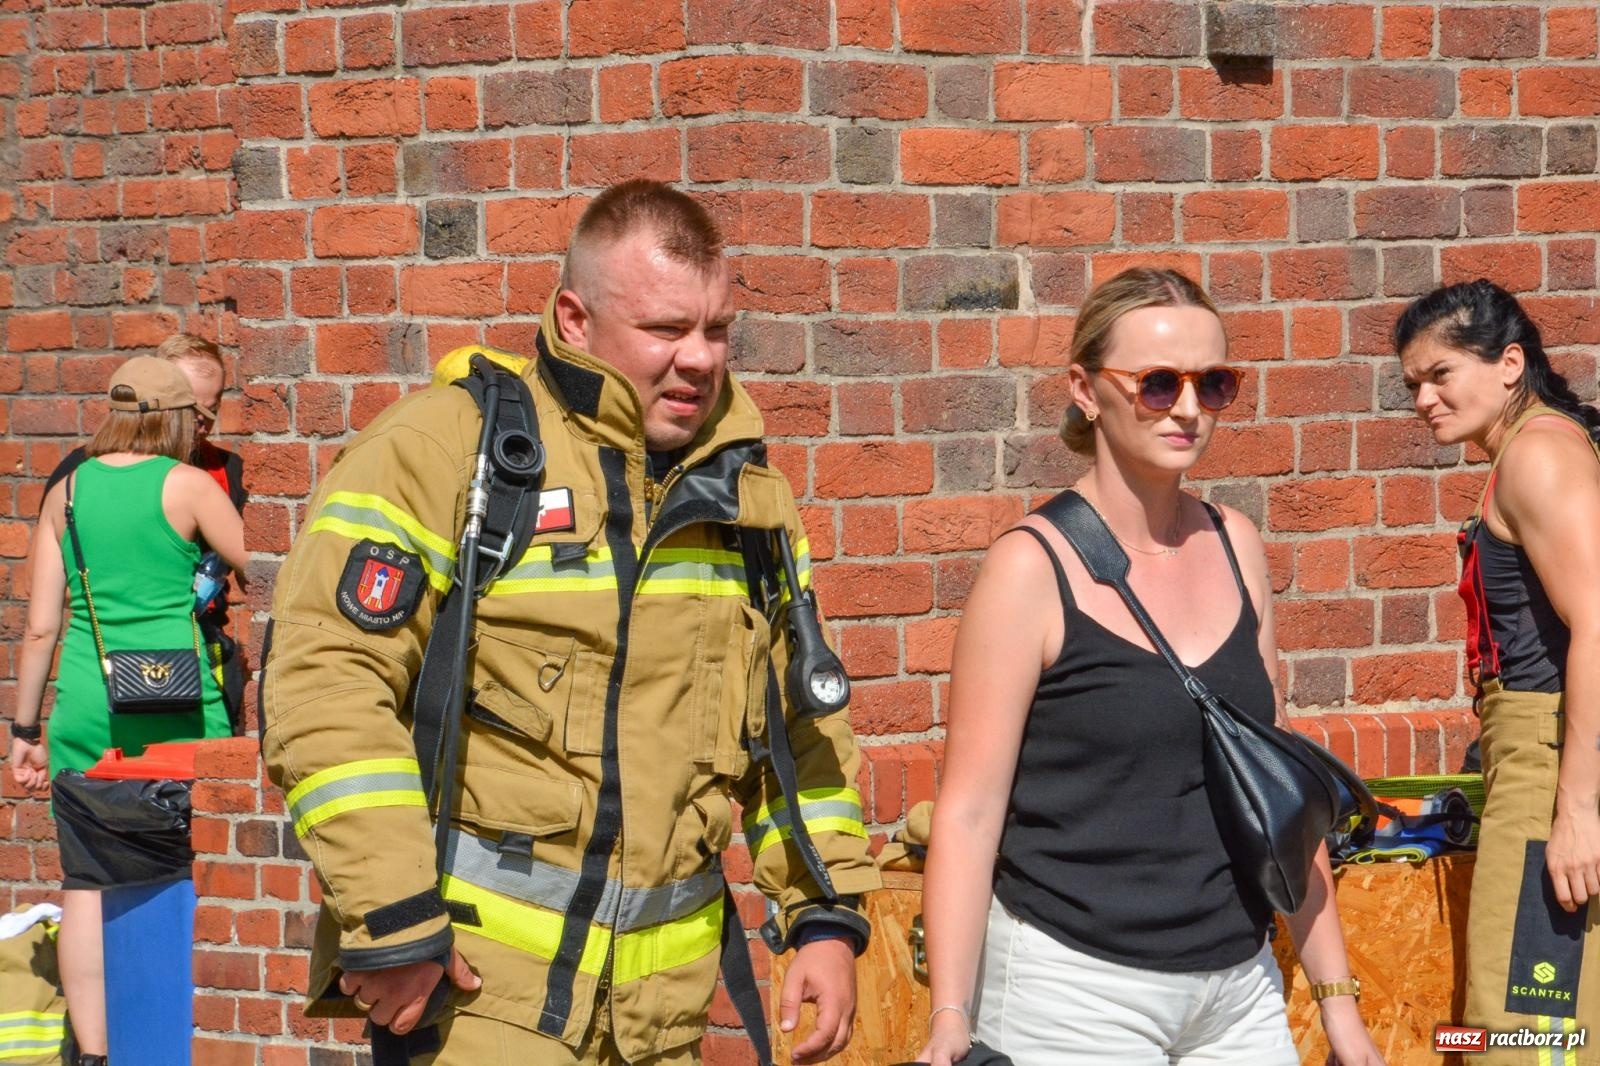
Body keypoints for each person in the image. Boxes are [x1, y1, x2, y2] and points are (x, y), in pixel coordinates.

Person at [260, 180, 880, 1065]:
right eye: (665, 331)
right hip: (478, 1005)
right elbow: (325, 686)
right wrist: (394, 921)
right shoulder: (445, 454)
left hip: (664, 1027)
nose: (699, 359)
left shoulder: (752, 505)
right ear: (575, 319)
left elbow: (801, 738)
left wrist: (823, 915)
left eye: (715, 330)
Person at [917, 269, 1385, 1066]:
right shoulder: (1031, 570)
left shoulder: (1237, 545)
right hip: (1071, 992)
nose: (1190, 408)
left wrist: (1338, 1004)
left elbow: (1277, 798)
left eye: (1215, 383)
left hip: (1236, 990)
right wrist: (950, 1016)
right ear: (1086, 390)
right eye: (1159, 384)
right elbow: (967, 813)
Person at [8, 356, 249, 1066]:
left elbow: (40, 628)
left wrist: (24, 731)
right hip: (178, 709)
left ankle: (97, 1051)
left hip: (87, 706)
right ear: (176, 418)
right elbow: (263, 568)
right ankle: (188, 1033)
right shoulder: (186, 485)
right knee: (193, 867)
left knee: (86, 881)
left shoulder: (69, 493)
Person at [1396, 280, 1600, 1064]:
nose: (1423, 399)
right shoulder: (1536, 448)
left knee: (1525, 1036)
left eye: (1440, 374)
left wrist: (1575, 810)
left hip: (1551, 766)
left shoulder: (1539, 454)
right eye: (1413, 383)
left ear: (1510, 363)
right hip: (1535, 760)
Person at [40, 333, 250, 730]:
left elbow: (257, 571)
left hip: (204, 652)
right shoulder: (82, 473)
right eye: (192, 409)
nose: (201, 423)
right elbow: (61, 583)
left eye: (212, 409)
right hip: (110, 654)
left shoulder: (225, 471)